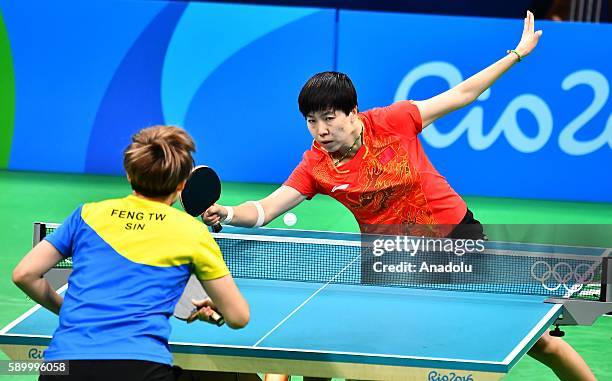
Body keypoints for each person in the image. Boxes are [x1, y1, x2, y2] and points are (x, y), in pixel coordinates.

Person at [202, 11, 596, 381]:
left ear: (352, 113)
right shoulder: (315, 166)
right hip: (391, 257)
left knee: (540, 342)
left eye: (329, 118)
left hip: (457, 239)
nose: (320, 130)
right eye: (311, 120)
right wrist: (230, 212)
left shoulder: (392, 121)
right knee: (343, 341)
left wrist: (516, 54)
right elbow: (267, 208)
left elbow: (461, 94)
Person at [12, 125, 250, 381]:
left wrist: (71, 311)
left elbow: (24, 274)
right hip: (139, 369)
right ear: (182, 184)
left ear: (128, 173)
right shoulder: (192, 232)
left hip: (62, 368)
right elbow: (238, 317)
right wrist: (217, 310)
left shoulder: (86, 215)